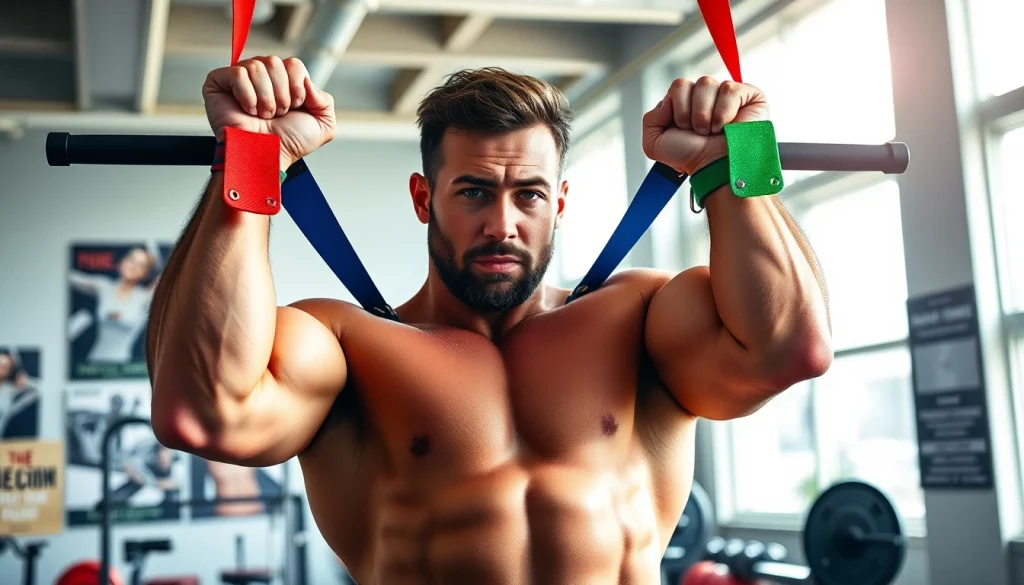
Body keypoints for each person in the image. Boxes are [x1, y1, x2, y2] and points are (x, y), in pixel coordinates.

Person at [147, 55, 833, 584]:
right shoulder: (348, 346)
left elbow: (789, 349)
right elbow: (204, 411)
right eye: (474, 191)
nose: (502, 223)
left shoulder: (639, 317)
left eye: (528, 194)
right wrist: (252, 157)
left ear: (559, 203)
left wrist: (732, 160)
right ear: (424, 198)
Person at [69, 245, 160, 363]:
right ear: (122, 261)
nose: (133, 266)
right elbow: (71, 277)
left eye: (141, 265)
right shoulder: (104, 287)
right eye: (131, 259)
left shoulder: (145, 298)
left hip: (121, 365)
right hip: (94, 362)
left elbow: (170, 276)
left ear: (146, 273)